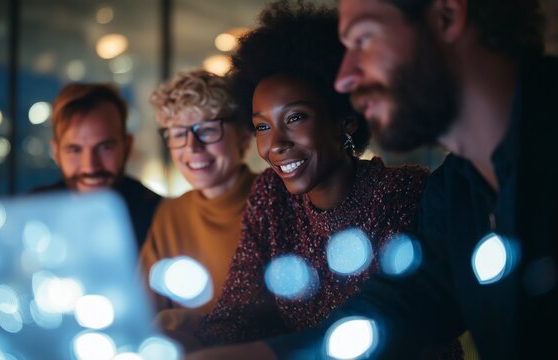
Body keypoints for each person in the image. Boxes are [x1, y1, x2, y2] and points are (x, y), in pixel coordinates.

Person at [191, 0, 557, 358]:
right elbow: (400, 308)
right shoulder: (455, 190)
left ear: (446, 15)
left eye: (363, 40)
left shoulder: (413, 191)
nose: (346, 78)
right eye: (261, 126)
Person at [139, 70, 257, 316]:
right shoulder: (170, 213)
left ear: (244, 137)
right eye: (179, 134)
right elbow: (143, 310)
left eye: (207, 130)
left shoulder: (276, 200)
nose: (192, 147)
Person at [34, 83, 161, 247]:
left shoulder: (159, 219)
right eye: (75, 150)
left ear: (127, 146)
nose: (90, 167)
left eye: (105, 147)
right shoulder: (34, 212)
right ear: (56, 152)